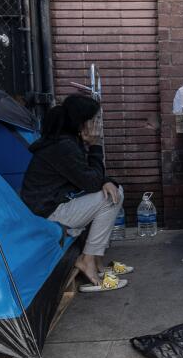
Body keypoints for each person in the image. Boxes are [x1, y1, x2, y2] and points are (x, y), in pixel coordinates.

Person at [20, 94, 131, 293]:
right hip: (48, 212)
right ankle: (88, 260)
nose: (97, 125)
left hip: (56, 204)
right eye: (94, 120)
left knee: (112, 191)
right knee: (111, 198)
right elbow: (90, 182)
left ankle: (96, 260)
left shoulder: (67, 142)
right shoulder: (63, 146)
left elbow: (90, 177)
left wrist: (106, 181)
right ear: (81, 122)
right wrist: (96, 145)